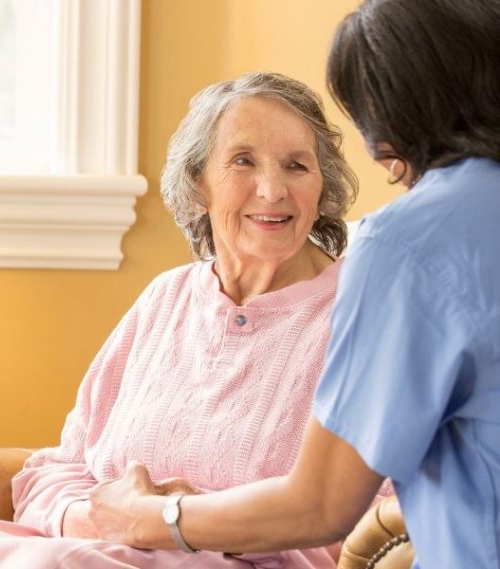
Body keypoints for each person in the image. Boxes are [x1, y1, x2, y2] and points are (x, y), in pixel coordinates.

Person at [0, 72, 369, 568]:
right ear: (198, 185)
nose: (271, 188)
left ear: (322, 187)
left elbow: (371, 516)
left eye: (297, 166)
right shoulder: (166, 298)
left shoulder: (361, 316)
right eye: (243, 161)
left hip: (241, 561)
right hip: (95, 549)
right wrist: (91, 520)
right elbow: (65, 464)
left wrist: (190, 523)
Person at [86, 2, 500, 568]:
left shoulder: (405, 245)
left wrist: (151, 519)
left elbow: (326, 502)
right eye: (242, 162)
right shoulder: (167, 297)